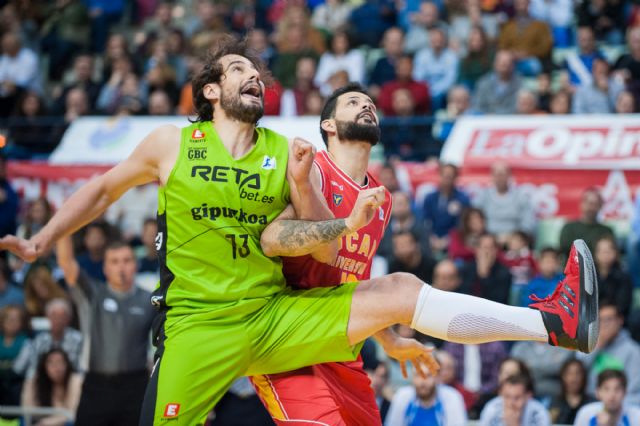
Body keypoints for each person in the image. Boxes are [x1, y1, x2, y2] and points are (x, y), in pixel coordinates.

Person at [0, 35, 600, 425]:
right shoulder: (172, 143)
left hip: (274, 315)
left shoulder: (289, 152)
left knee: (399, 288)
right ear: (210, 90)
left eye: (257, 71)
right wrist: (42, 240)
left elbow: (326, 248)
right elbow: (105, 190)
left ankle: (554, 323)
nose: (253, 76)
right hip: (198, 323)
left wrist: (384, 326)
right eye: (238, 69)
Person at [252, 83, 420, 425]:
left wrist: (388, 338)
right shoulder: (314, 169)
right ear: (328, 124)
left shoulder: (381, 198)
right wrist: (345, 223)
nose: (367, 106)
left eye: (371, 104)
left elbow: (353, 279)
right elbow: (272, 238)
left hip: (341, 346)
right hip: (290, 337)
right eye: (354, 102)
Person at [56, 237, 157, 426]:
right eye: (114, 261)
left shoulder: (149, 300)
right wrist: (62, 227)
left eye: (127, 260)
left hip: (136, 386)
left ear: (136, 265)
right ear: (105, 268)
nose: (121, 267)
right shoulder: (93, 293)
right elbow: (66, 262)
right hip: (96, 386)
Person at [578, 302, 640, 405]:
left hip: (619, 404)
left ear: (620, 320)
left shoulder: (633, 350)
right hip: (590, 400)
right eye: (600, 320)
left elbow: (634, 389)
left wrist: (611, 404)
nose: (604, 324)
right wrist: (598, 345)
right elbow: (578, 370)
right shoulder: (589, 344)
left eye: (608, 319)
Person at [13, 298, 83, 379]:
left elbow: (79, 369)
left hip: (69, 380)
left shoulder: (79, 339)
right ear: (48, 317)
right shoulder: (38, 340)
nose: (58, 320)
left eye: (62, 316)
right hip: (42, 381)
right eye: (54, 316)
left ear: (69, 319)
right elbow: (23, 368)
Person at [385, 367, 467, 426]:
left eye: (428, 375)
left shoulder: (452, 397)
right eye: (418, 375)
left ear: (437, 377)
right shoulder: (402, 396)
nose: (423, 382)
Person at [21, 348, 83, 426]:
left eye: (60, 362)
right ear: (44, 366)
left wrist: (46, 423)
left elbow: (73, 413)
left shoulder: (75, 380)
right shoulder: (36, 382)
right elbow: (27, 410)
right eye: (51, 363)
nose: (57, 367)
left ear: (67, 365)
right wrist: (30, 384)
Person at [479, 373, 551, 426]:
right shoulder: (491, 408)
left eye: (517, 397)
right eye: (507, 396)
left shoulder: (538, 412)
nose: (511, 402)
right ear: (501, 393)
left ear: (528, 396)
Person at [559, 187, 614, 256]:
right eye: (589, 203)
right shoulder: (569, 228)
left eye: (596, 204)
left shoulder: (606, 231)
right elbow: (564, 253)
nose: (591, 208)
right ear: (581, 204)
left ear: (600, 206)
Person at [574, 369, 640, 426]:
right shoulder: (586, 413)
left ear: (625, 392)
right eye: (606, 389)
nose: (612, 395)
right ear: (597, 392)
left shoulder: (637, 416)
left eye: (617, 389)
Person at [549, 359, 595, 424]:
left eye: (578, 373)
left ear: (583, 377)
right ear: (563, 376)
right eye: (569, 373)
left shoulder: (592, 403)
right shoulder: (556, 402)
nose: (574, 378)